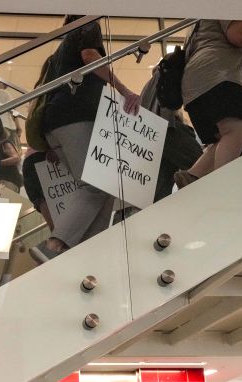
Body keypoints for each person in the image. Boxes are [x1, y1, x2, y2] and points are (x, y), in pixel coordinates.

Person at [30, 16, 141, 263]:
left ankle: (87, 256)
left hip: (56, 124)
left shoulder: (58, 53)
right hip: (76, 117)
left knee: (106, 188)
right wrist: (124, 91)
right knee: (96, 185)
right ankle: (53, 245)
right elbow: (91, 57)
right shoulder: (88, 26)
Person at [174, 20, 242, 189]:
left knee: (222, 138)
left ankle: (192, 175)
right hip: (218, 75)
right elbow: (239, 36)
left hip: (192, 88)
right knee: (237, 133)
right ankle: (222, 189)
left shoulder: (197, 22)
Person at [137, 65, 203, 202]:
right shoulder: (169, 72)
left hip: (152, 132)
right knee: (203, 163)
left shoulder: (149, 87)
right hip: (167, 128)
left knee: (161, 187)